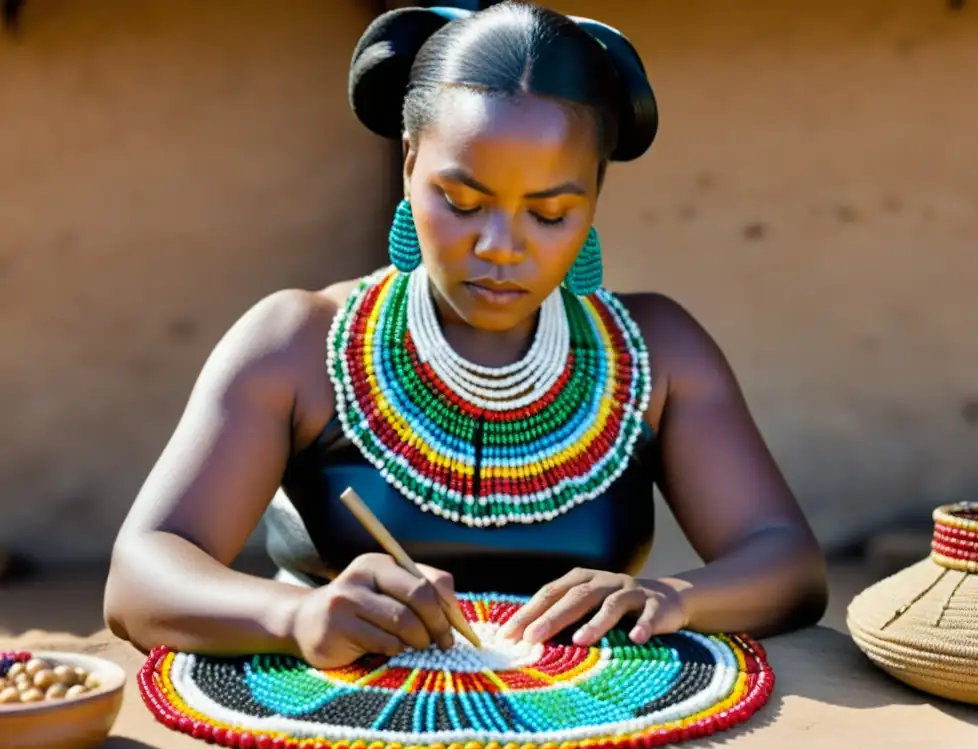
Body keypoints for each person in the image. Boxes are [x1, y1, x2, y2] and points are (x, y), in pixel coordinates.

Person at [103, 2, 828, 671]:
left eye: (549, 215)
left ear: (594, 198)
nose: (501, 246)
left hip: (585, 723)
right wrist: (294, 615)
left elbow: (787, 564)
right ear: (410, 164)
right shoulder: (295, 345)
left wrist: (676, 598)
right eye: (462, 202)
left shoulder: (657, 353)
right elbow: (141, 576)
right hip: (333, 723)